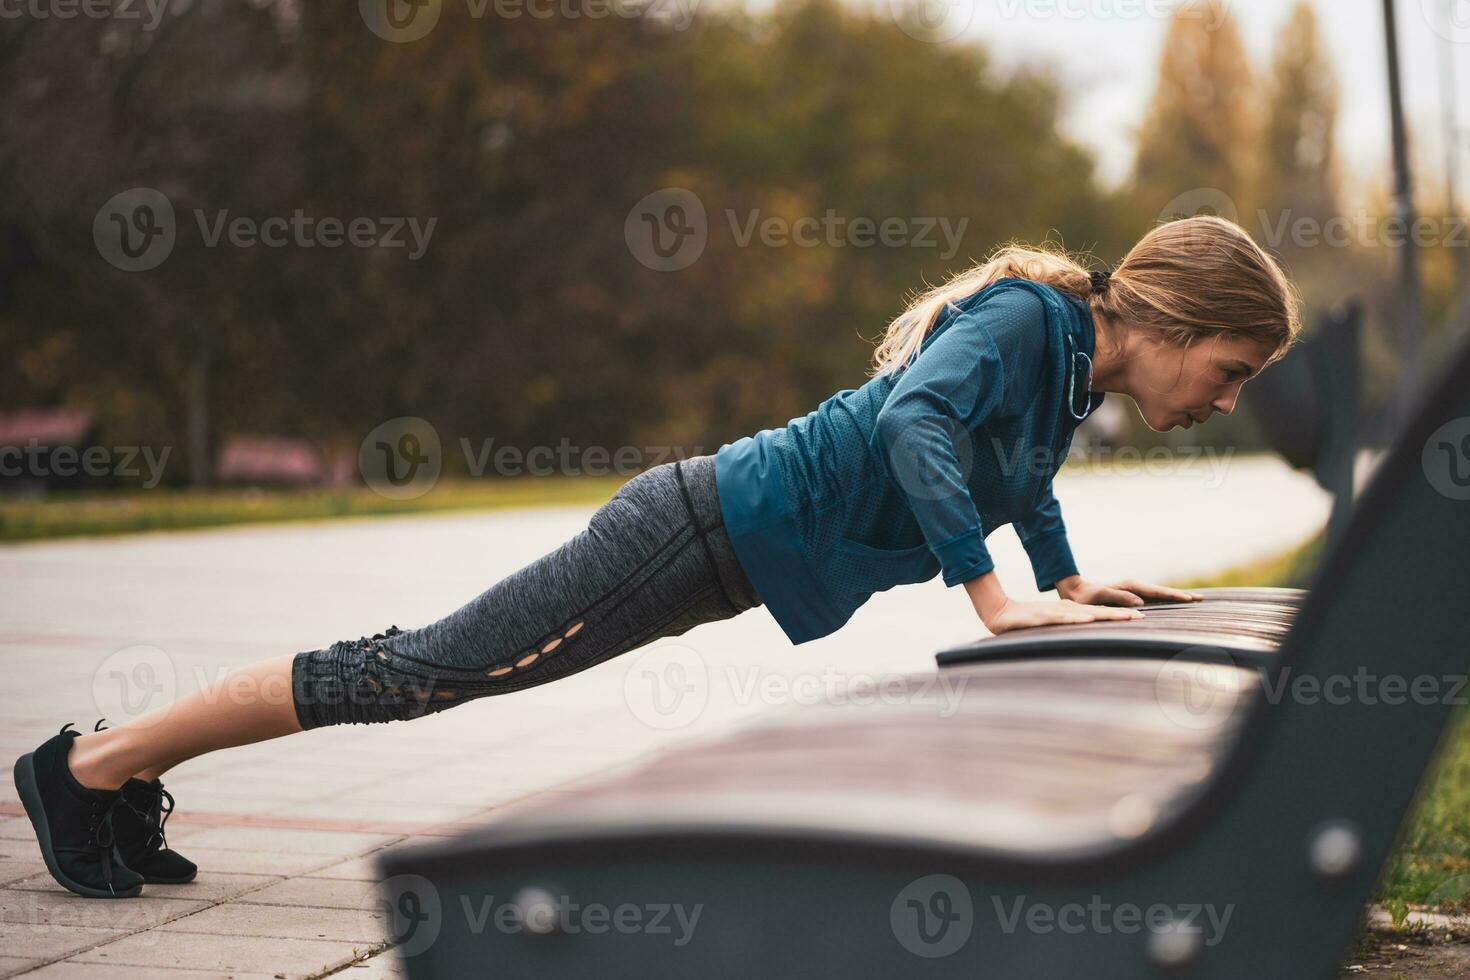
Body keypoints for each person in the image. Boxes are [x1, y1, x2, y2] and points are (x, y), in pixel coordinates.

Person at [13, 214, 1301, 898]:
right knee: (422, 672)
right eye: (1231, 372)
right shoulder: (1032, 319)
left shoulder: (1065, 360)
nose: (1228, 399)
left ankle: (111, 773)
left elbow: (1010, 468)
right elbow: (918, 416)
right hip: (687, 531)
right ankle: (91, 766)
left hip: (708, 547)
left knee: (426, 669)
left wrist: (1066, 576)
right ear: (1177, 319)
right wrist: (995, 600)